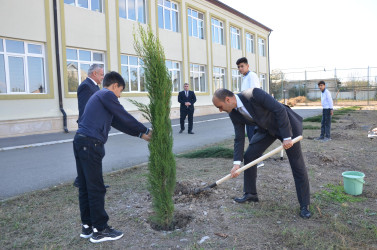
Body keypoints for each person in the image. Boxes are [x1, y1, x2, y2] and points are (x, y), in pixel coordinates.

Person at [73, 71, 152, 243]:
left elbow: (117, 122)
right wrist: (146, 130)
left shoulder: (100, 98)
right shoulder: (107, 94)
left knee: (86, 186)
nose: (120, 95)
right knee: (96, 187)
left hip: (80, 142)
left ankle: (87, 227)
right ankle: (100, 230)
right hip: (90, 144)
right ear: (114, 85)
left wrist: (140, 135)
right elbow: (124, 115)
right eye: (120, 91)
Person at [212, 88, 311, 219]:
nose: (220, 110)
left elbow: (280, 110)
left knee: (296, 163)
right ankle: (250, 193)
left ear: (228, 99)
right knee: (249, 156)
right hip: (266, 129)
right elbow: (239, 137)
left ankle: (305, 205)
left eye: (220, 107)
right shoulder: (233, 113)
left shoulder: (253, 94)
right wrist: (236, 163)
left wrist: (287, 137)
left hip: (286, 125)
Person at [73, 64, 104, 188]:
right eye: (101, 74)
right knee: (89, 158)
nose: (103, 77)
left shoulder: (95, 87)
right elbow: (85, 109)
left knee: (94, 158)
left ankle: (89, 181)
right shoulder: (86, 86)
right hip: (89, 129)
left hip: (94, 128)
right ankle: (81, 181)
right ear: (94, 74)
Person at [237, 57, 264, 168]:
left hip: (252, 111)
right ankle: (256, 159)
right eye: (238, 67)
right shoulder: (246, 77)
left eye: (242, 66)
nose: (240, 69)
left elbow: (254, 92)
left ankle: (258, 160)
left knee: (253, 135)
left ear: (248, 66)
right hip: (248, 110)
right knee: (251, 135)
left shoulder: (251, 76)